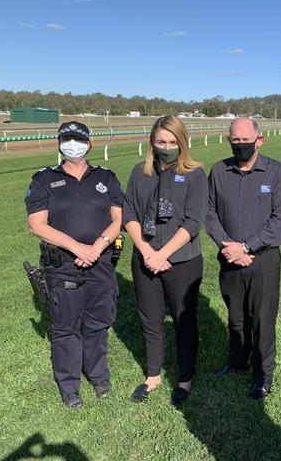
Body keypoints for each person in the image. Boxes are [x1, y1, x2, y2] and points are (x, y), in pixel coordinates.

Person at [25, 121, 123, 408]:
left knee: (97, 323)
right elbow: (37, 225)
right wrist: (77, 247)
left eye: (77, 139)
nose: (72, 144)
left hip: (101, 263)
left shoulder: (106, 176)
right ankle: (69, 386)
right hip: (63, 266)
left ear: (89, 143)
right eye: (66, 139)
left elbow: (118, 219)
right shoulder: (44, 179)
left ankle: (98, 375)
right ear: (58, 143)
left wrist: (95, 248)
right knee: (66, 327)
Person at [122, 115, 208, 407]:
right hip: (145, 258)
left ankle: (184, 379)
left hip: (182, 262)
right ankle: (153, 375)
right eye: (161, 142)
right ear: (152, 142)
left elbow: (194, 221)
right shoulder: (139, 173)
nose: (167, 147)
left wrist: (162, 254)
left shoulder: (195, 175)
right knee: (150, 319)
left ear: (182, 143)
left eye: (173, 142)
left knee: (184, 322)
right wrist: (147, 252)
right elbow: (129, 213)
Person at [205, 117, 281, 400]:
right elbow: (209, 213)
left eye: (246, 140)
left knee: (262, 320)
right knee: (236, 317)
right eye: (235, 140)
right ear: (229, 141)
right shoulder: (219, 171)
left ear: (259, 140)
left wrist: (247, 248)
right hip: (229, 257)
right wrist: (227, 246)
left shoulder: (276, 172)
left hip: (263, 260)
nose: (241, 145)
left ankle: (263, 374)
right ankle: (238, 360)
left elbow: (279, 219)